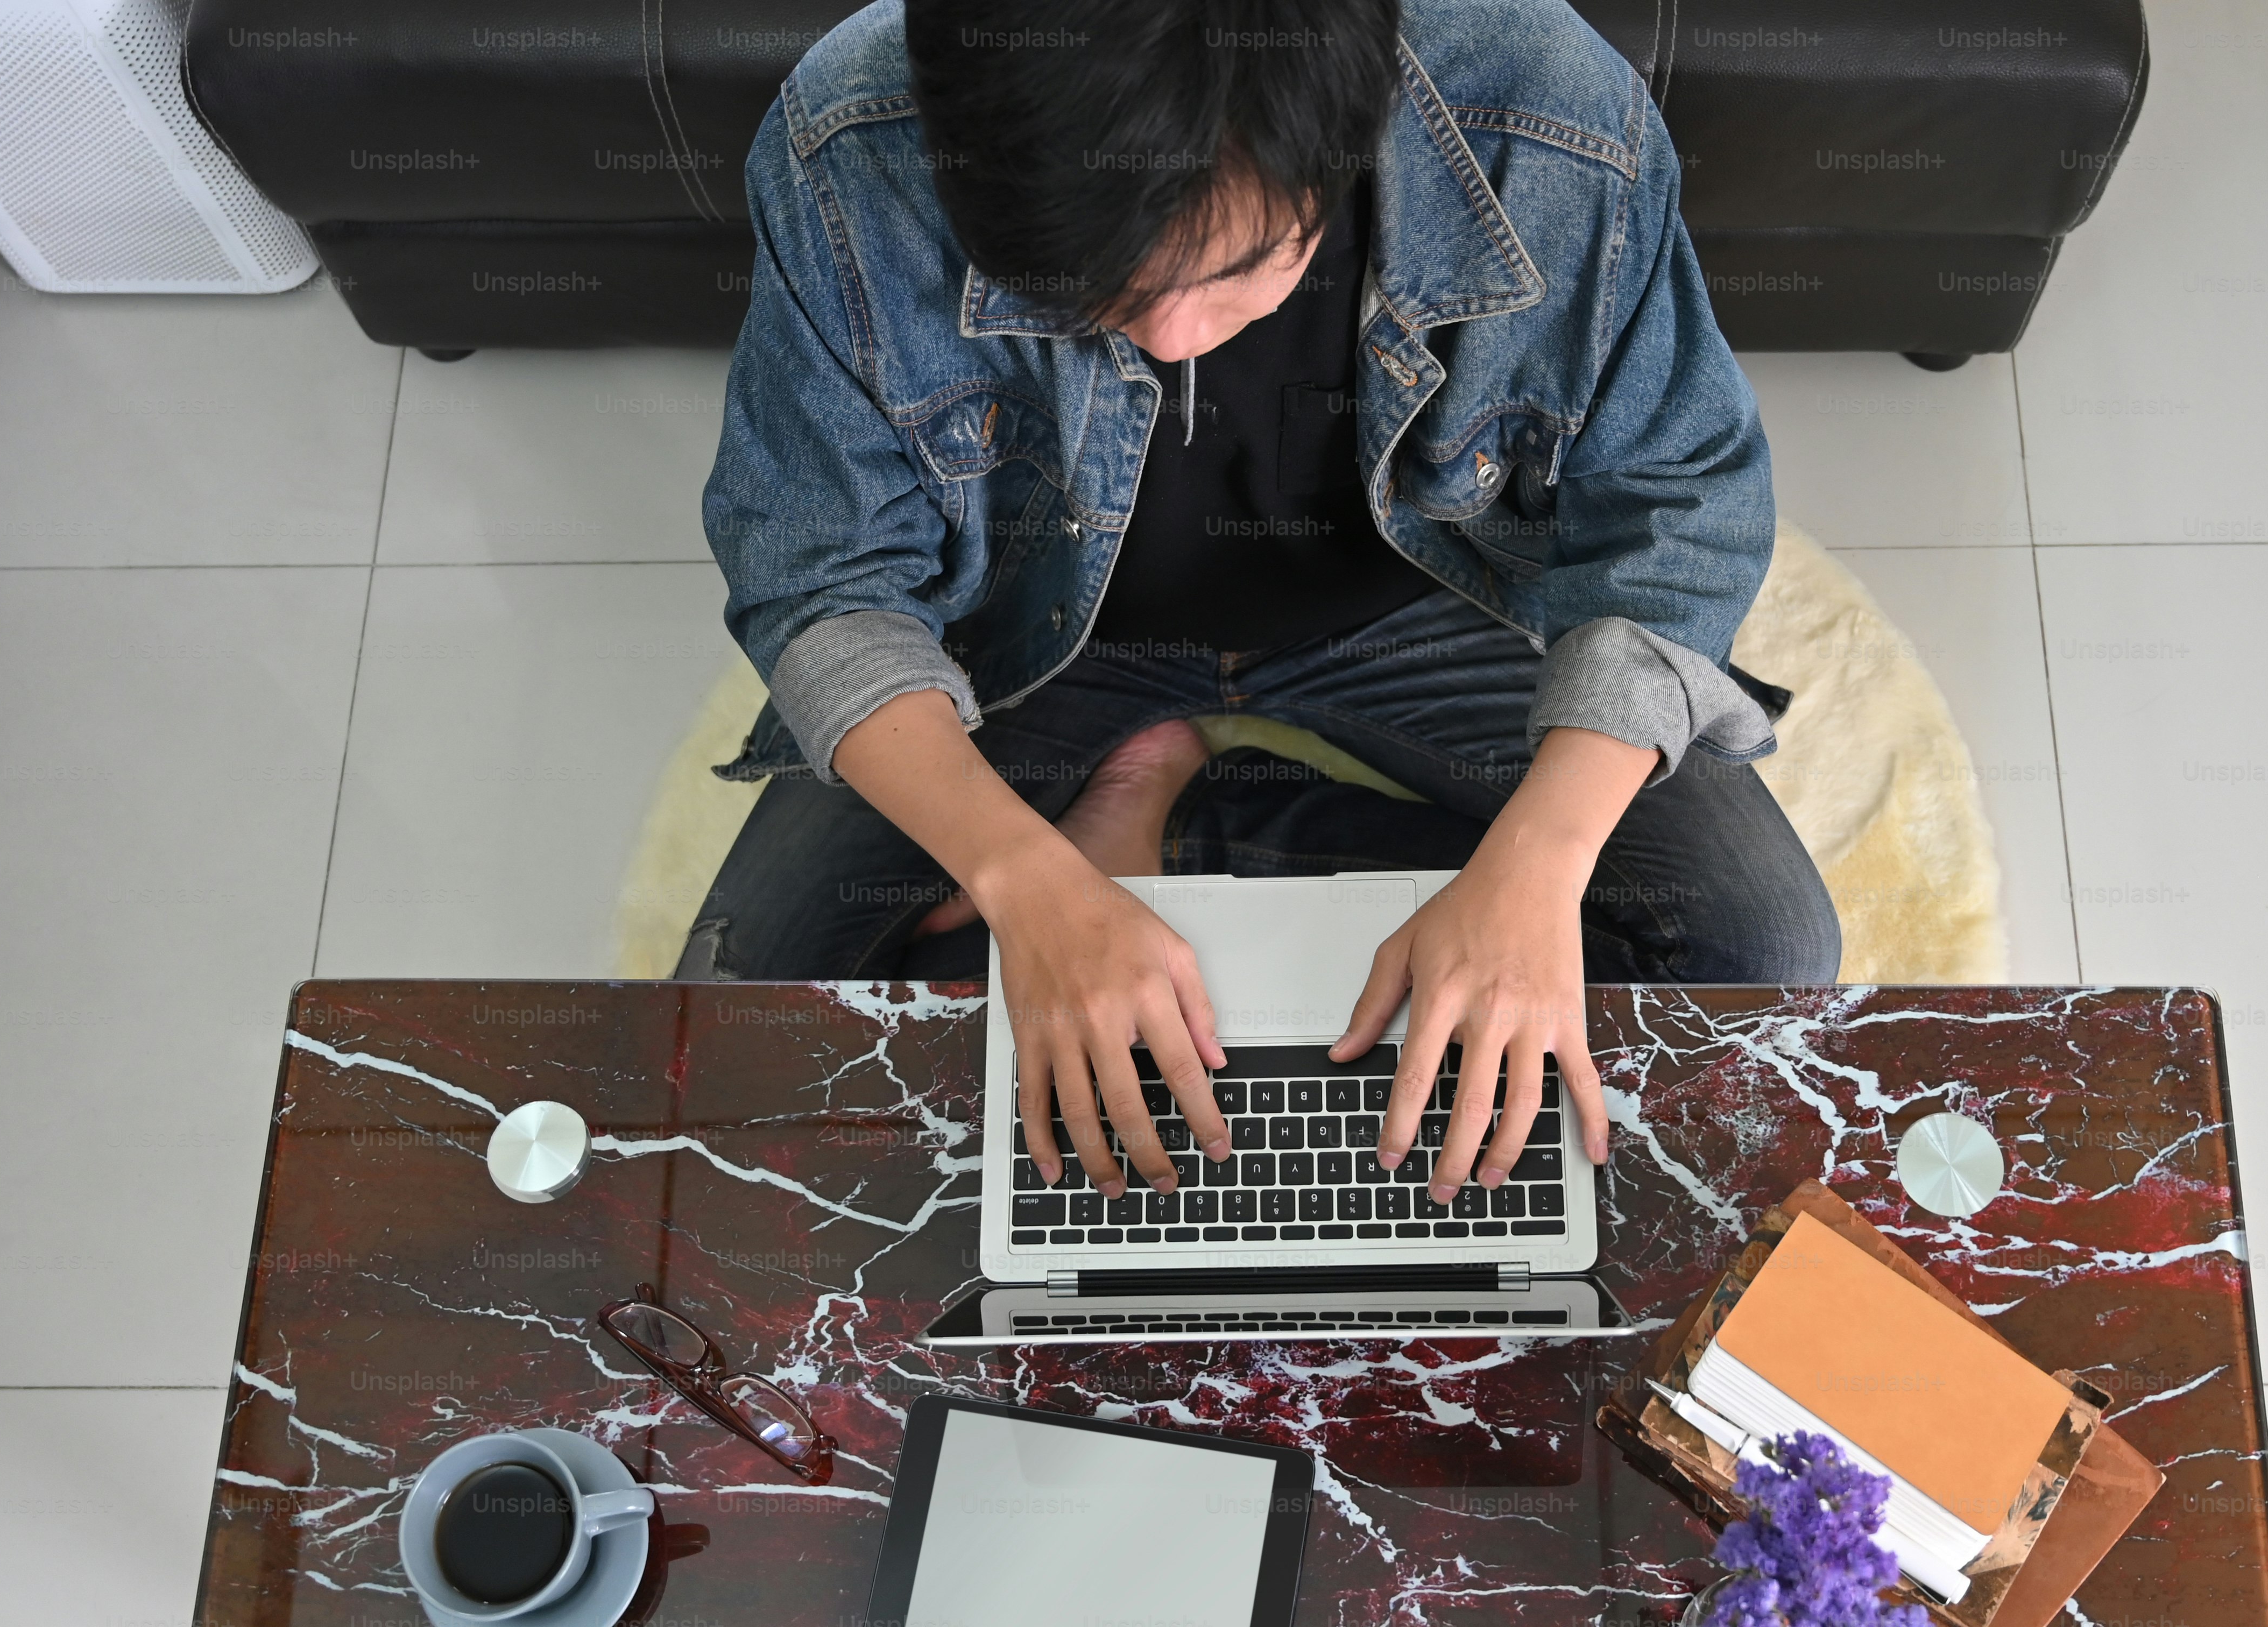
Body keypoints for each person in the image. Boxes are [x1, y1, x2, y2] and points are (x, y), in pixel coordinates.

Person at [688, 0, 1838, 1219]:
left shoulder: (1550, 108)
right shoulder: (853, 133)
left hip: (1429, 600)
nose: (1173, 339)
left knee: (1764, 951)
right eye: (1094, 292)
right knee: (735, 1027)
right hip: (1030, 640)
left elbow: (1677, 507)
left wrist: (1537, 868)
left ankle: (1198, 834)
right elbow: (821, 577)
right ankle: (1126, 822)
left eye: (1241, 268)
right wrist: (1027, 879)